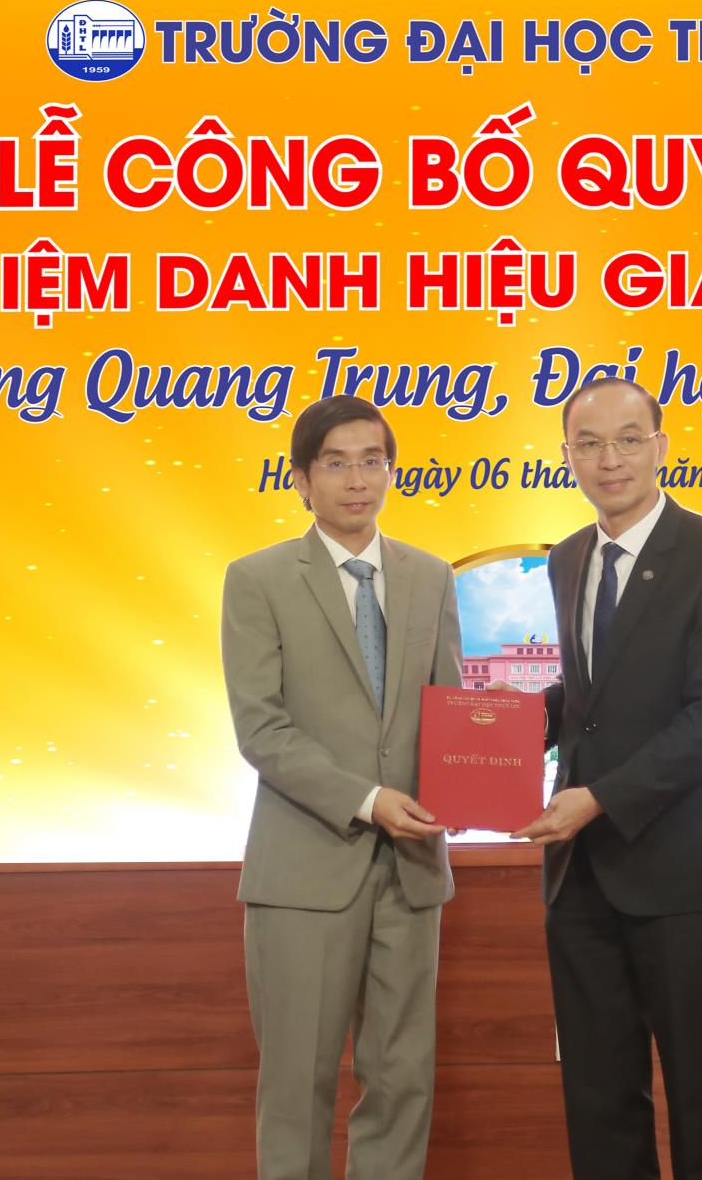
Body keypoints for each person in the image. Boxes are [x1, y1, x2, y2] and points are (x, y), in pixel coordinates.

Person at [512, 377, 702, 1180]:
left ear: (661, 446)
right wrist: (496, 732)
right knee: (598, 1098)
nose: (609, 459)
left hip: (685, 872)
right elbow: (592, 698)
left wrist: (598, 799)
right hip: (581, 877)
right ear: (567, 456)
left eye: (628, 439)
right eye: (589, 444)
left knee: (700, 1099)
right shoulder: (568, 557)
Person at [222, 394, 465, 1180]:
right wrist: (367, 799)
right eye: (336, 462)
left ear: (391, 471)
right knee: (298, 1087)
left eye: (372, 461)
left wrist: (479, 777)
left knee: (401, 1081)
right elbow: (262, 728)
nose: (357, 479)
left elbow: (451, 709)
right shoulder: (257, 579)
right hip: (305, 869)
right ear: (301, 479)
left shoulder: (430, 576)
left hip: (412, 870)